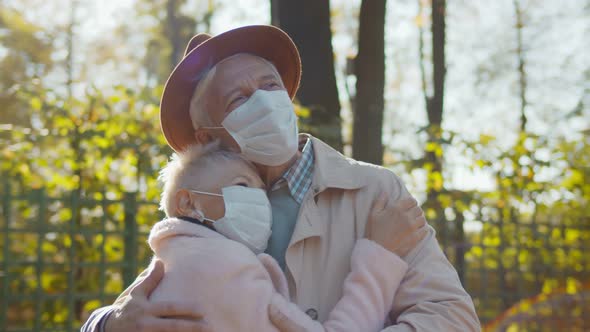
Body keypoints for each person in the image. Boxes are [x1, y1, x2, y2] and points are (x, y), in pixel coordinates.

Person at [82, 25, 481, 332]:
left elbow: (453, 316)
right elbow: (138, 302)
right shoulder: (207, 206)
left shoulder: (374, 191)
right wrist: (107, 323)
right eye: (237, 99)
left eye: (270, 86)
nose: (263, 102)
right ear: (208, 138)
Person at [143, 141, 425, 331]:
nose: (258, 201)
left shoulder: (164, 268)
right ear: (188, 204)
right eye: (242, 185)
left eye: (262, 192)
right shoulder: (227, 267)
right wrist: (380, 257)